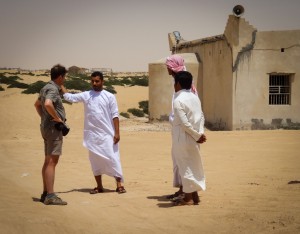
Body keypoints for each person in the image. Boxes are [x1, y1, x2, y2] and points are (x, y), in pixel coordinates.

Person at [61, 71, 126, 194]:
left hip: (108, 134)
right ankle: (99, 186)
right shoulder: (87, 95)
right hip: (92, 136)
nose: (94, 83)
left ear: (102, 81)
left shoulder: (109, 96)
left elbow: (115, 115)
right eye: (92, 81)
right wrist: (60, 85)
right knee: (95, 161)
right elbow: (70, 97)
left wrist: (117, 133)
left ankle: (119, 184)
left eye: (97, 81)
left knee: (113, 158)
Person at [165, 54, 198, 201]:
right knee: (178, 160)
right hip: (180, 129)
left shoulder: (185, 85)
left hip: (185, 130)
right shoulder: (178, 82)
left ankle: (189, 194)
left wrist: (174, 120)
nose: (167, 69)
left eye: (168, 66)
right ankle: (184, 190)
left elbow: (187, 111)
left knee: (185, 160)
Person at [34, 64, 68, 205]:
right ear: (60, 76)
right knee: (52, 162)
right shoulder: (53, 89)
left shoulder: (45, 87)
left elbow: (37, 104)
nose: (65, 79)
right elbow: (48, 104)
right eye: (64, 77)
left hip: (46, 128)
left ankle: (46, 192)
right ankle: (51, 196)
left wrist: (45, 118)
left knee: (48, 161)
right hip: (53, 130)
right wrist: (57, 119)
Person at [171, 71, 206, 206]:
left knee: (185, 166)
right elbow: (201, 116)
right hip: (195, 137)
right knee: (193, 165)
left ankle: (188, 198)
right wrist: (200, 134)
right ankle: (195, 196)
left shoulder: (178, 100)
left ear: (178, 83)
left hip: (183, 138)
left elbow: (185, 123)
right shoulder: (194, 97)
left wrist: (197, 135)